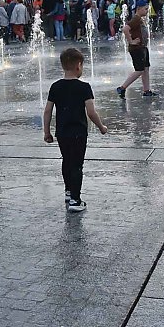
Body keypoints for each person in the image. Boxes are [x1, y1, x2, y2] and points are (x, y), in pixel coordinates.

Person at [44, 48, 107, 212]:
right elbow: (91, 112)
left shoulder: (55, 87)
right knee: (77, 165)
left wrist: (47, 132)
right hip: (78, 132)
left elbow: (48, 111)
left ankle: (68, 191)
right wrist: (101, 127)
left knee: (66, 160)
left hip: (62, 132)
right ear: (79, 66)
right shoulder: (84, 87)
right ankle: (75, 200)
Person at [116, 0, 156, 98]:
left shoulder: (140, 19)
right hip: (137, 48)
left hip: (142, 47)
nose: (147, 11)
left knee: (146, 69)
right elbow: (125, 29)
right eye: (145, 9)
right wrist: (131, 41)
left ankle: (146, 90)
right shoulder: (136, 19)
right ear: (138, 9)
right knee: (139, 70)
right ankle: (122, 88)